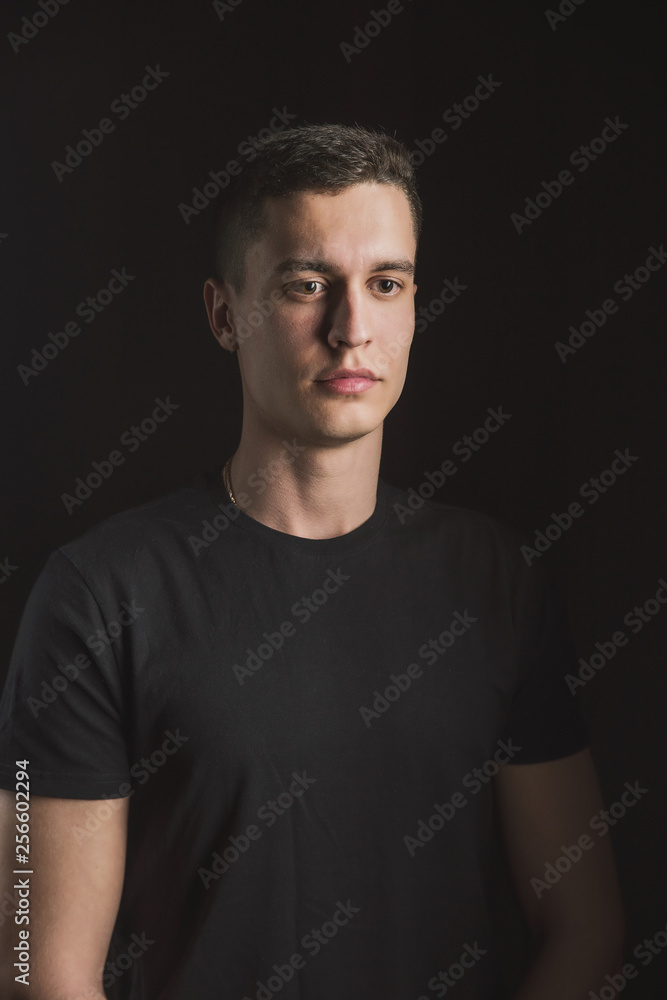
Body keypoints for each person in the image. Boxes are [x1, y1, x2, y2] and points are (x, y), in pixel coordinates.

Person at [0, 123, 624, 1000]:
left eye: (385, 283)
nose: (351, 329)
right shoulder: (97, 595)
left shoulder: (494, 579)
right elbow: (32, 967)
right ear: (225, 314)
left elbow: (585, 929)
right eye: (305, 285)